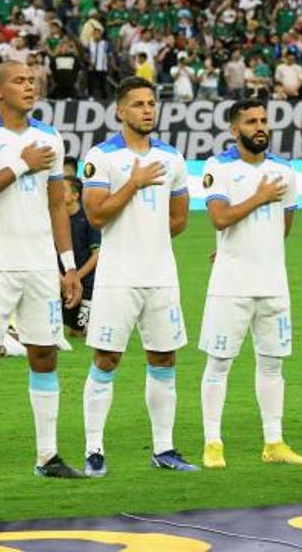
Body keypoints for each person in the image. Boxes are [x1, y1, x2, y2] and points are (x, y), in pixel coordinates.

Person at [0, 60, 83, 483]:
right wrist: (22, 164)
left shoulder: (49, 137)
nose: (30, 87)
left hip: (40, 267)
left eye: (32, 81)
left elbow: (55, 206)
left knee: (44, 355)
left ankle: (48, 456)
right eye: (19, 81)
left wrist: (68, 267)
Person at [81, 77, 195, 476]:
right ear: (120, 111)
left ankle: (164, 449)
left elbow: (179, 219)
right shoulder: (102, 157)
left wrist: (150, 238)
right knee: (107, 358)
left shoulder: (173, 158)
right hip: (117, 277)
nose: (147, 110)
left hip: (162, 275)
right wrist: (134, 182)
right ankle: (93, 448)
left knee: (164, 357)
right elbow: (95, 215)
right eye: (138, 104)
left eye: (151, 103)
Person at [198, 99, 302, 468]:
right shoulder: (219, 167)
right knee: (219, 363)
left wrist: (258, 245)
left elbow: (284, 226)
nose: (260, 126)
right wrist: (260, 197)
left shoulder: (285, 170)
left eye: (264, 120)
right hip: (231, 283)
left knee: (273, 364)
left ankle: (274, 443)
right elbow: (219, 218)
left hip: (274, 283)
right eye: (250, 121)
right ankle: (213, 443)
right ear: (234, 129)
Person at [62, 175, 99, 338]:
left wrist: (75, 276)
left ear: (75, 196)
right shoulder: (54, 219)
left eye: (62, 190)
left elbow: (97, 255)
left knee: (78, 332)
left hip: (87, 285)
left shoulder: (88, 219)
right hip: (59, 283)